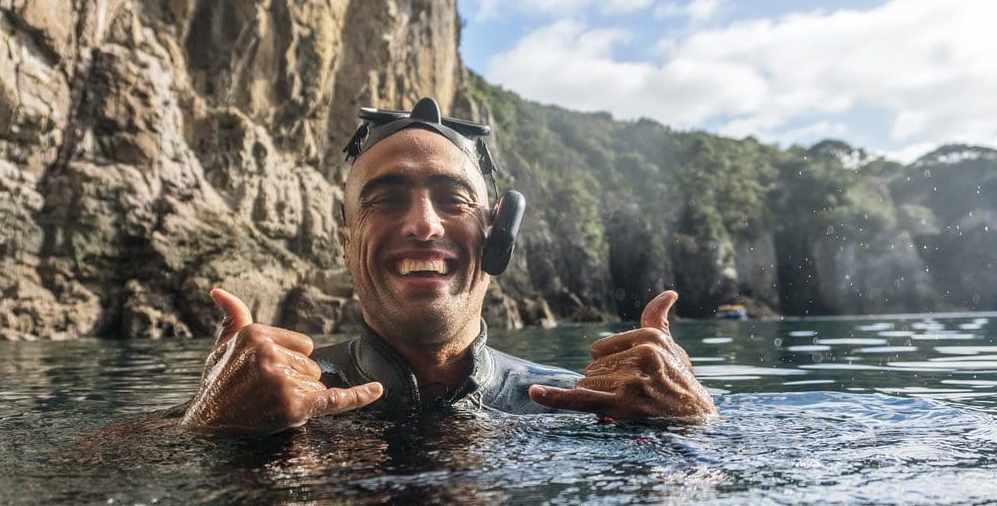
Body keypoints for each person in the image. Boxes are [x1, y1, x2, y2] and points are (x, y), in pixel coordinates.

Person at [177, 97, 716, 434]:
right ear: (346, 243)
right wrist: (209, 428)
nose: (424, 225)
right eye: (385, 200)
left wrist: (692, 419)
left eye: (452, 198)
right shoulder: (260, 400)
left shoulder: (580, 404)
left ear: (496, 236)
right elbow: (95, 476)